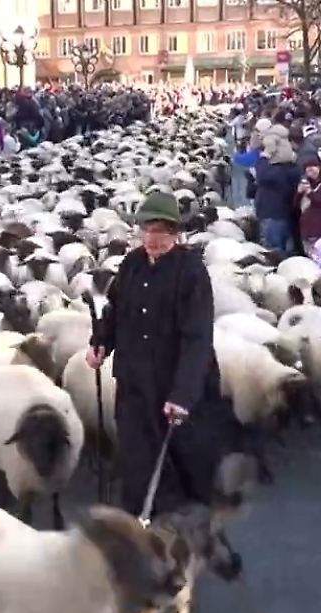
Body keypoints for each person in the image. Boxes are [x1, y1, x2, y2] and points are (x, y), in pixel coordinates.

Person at [87, 192, 226, 516]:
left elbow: (197, 337)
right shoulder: (132, 264)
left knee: (183, 464)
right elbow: (117, 310)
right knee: (138, 461)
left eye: (161, 232)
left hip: (173, 387)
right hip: (135, 384)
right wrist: (102, 343)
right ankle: (141, 533)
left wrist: (183, 395)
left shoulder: (191, 272)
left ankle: (187, 537)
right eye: (146, 230)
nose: (152, 239)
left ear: (176, 233)